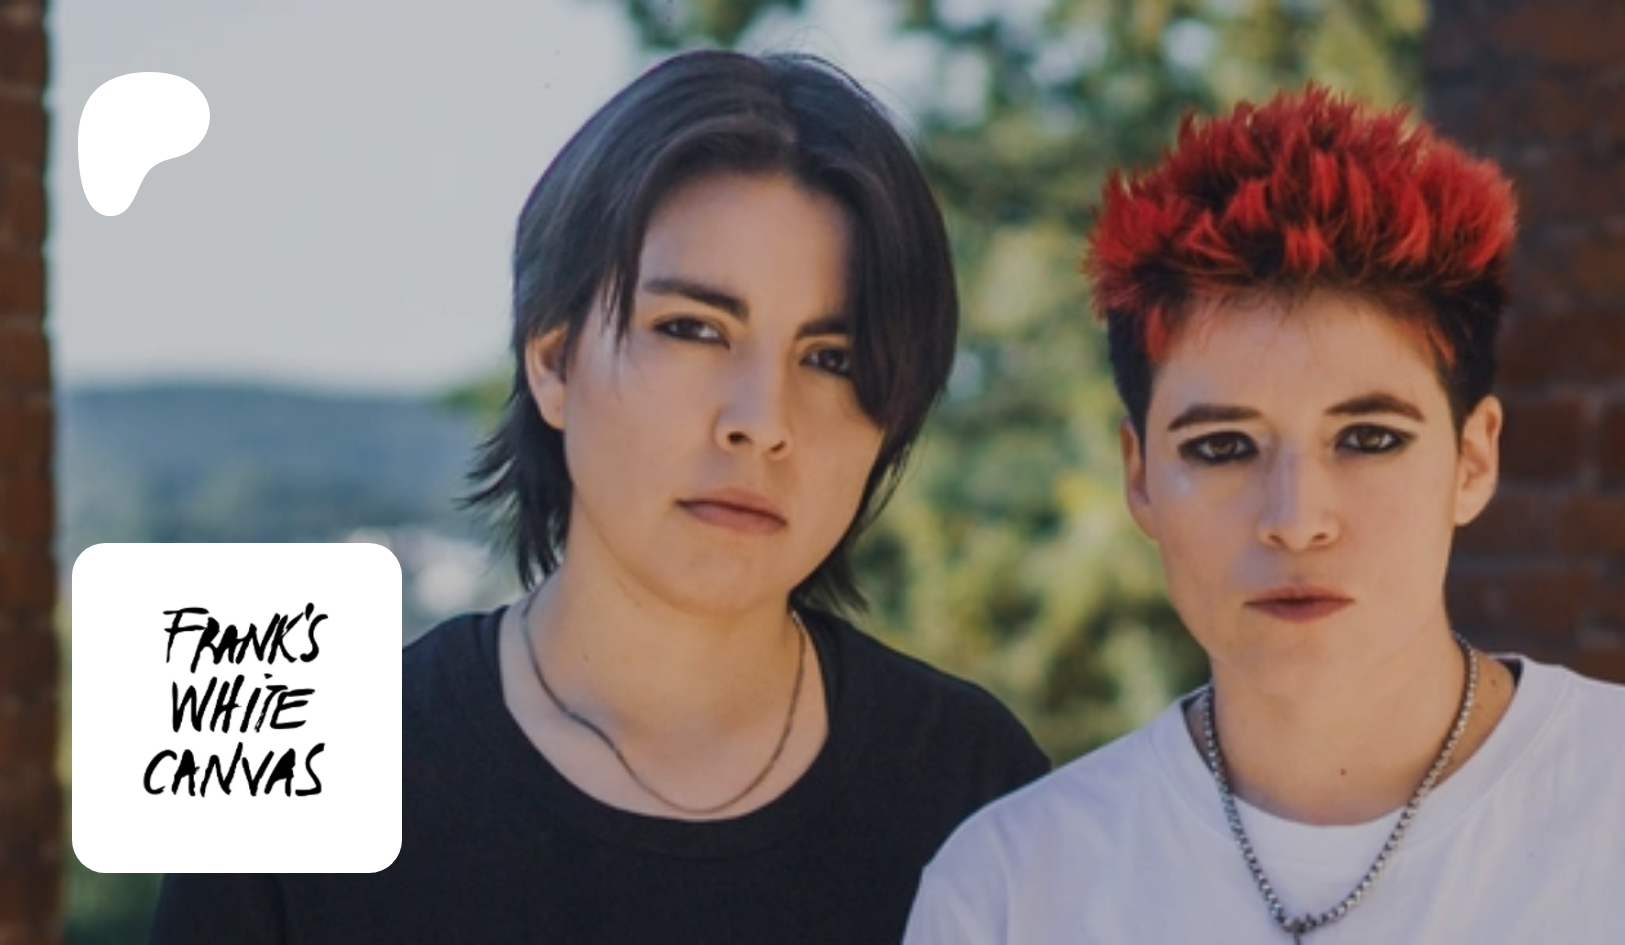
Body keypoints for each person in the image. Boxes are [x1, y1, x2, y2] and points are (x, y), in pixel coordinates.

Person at [151, 49, 1047, 944]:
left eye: (831, 358)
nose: (761, 420)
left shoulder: (979, 795)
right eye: (692, 328)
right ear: (553, 361)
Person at [904, 86, 1625, 943]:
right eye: (1223, 446)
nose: (1297, 520)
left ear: (1473, 459)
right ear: (1139, 476)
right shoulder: (1012, 889)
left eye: (1369, 438)